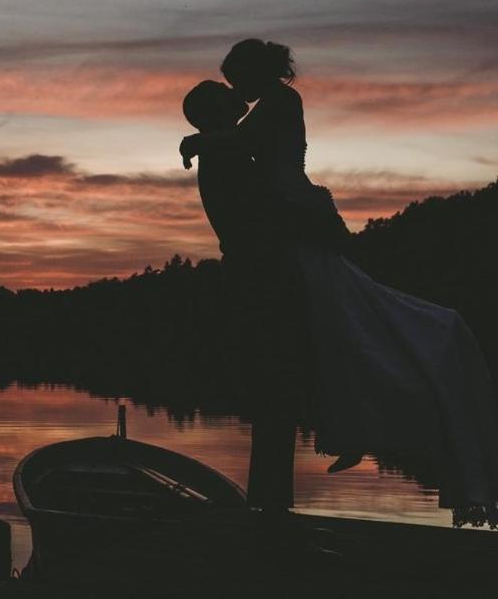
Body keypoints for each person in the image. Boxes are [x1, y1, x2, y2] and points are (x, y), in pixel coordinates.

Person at [181, 39, 498, 523]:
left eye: (234, 80)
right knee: (339, 342)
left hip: (291, 240)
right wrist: (206, 140)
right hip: (278, 255)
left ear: (254, 73)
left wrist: (200, 139)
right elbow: (240, 182)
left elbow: (244, 146)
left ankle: (316, 463)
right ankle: (335, 447)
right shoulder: (240, 136)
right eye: (226, 89)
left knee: (345, 339)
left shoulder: (275, 107)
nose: (234, 92)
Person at [182, 79, 307, 511]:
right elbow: (262, 211)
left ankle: (270, 506)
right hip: (261, 276)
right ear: (216, 110)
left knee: (275, 393)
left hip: (254, 273)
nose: (236, 90)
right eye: (224, 89)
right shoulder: (227, 151)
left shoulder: (222, 146)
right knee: (276, 391)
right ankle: (271, 509)